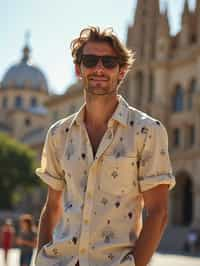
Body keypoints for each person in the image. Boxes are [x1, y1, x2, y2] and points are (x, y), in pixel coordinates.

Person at [35, 26, 176, 266]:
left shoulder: (147, 131)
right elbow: (52, 206)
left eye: (109, 62)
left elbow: (159, 213)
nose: (99, 69)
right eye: (90, 61)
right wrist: (40, 258)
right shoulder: (58, 133)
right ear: (79, 69)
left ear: (121, 71)